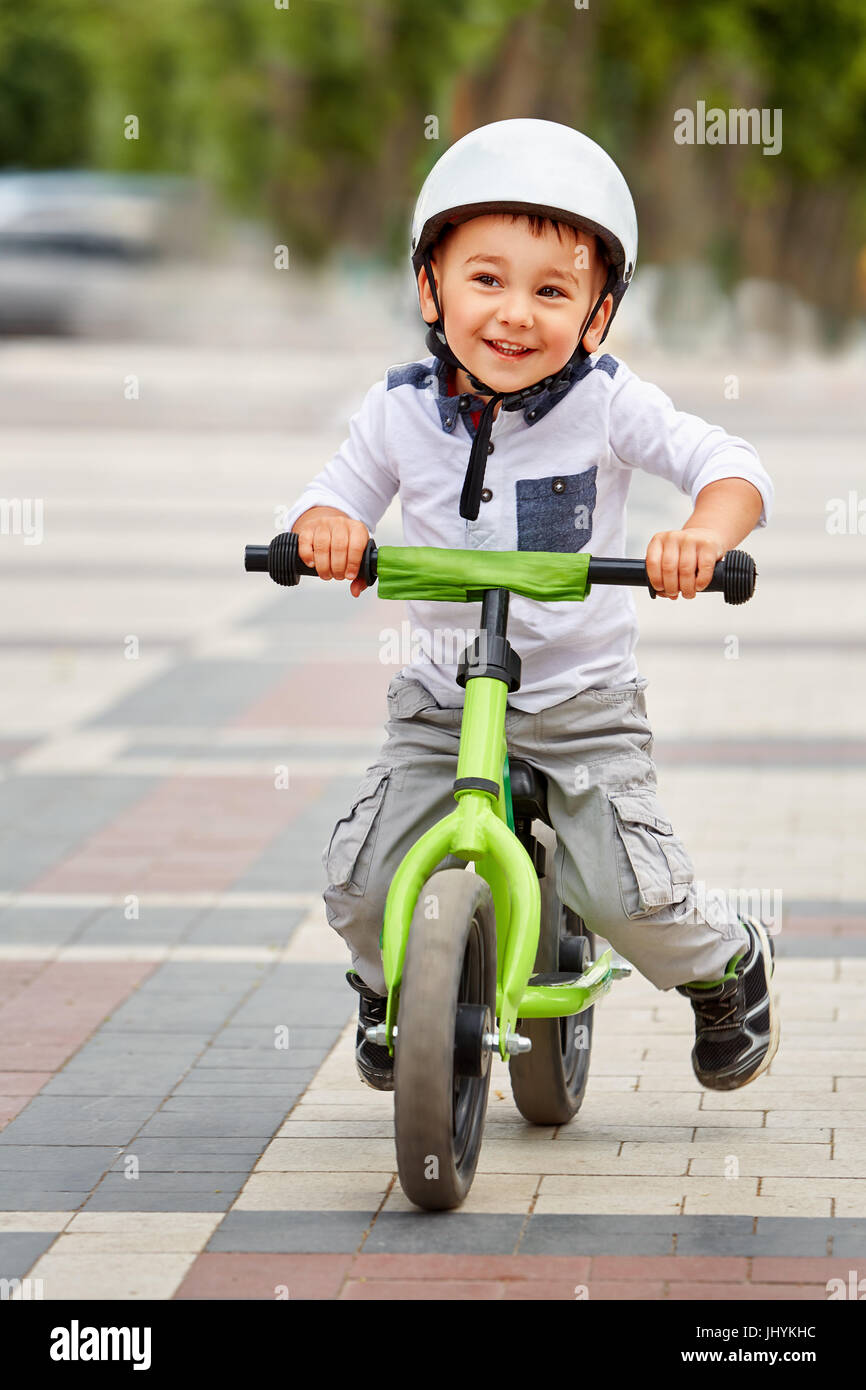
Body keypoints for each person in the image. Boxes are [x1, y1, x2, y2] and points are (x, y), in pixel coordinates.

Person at [280, 118, 779, 1095]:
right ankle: (394, 991)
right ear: (428, 285)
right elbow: (327, 494)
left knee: (627, 893)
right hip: (439, 697)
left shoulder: (606, 403)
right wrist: (324, 528)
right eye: (485, 279)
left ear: (596, 313)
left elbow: (728, 466)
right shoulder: (395, 410)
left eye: (551, 290)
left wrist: (701, 537)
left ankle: (727, 963)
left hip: (578, 701)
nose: (514, 312)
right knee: (359, 879)